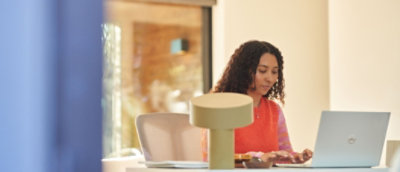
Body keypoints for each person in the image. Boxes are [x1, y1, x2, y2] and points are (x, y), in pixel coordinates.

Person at [201, 40, 313, 164]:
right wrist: (258, 158)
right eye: (262, 71)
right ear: (244, 71)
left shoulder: (274, 110)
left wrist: (295, 157)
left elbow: (283, 153)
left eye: (274, 72)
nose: (269, 78)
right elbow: (214, 158)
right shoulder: (221, 107)